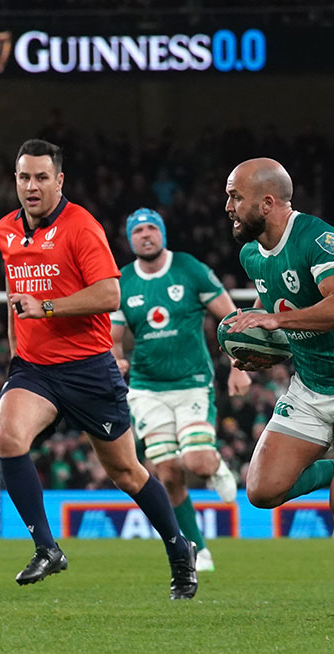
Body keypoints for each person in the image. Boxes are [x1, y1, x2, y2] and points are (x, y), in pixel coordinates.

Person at [0, 139, 195, 597]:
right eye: (24, 177)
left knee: (126, 472)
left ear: (59, 180)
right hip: (36, 370)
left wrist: (44, 307)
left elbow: (109, 296)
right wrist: (15, 354)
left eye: (42, 177)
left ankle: (179, 546)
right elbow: (14, 294)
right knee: (7, 436)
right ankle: (47, 548)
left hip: (88, 369)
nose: (32, 186)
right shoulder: (6, 229)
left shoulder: (81, 227)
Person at [222, 158, 334, 622]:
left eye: (236, 197)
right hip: (311, 383)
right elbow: (272, 306)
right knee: (260, 490)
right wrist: (254, 348)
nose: (229, 207)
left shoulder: (320, 239)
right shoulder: (252, 254)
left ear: (268, 202)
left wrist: (274, 320)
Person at [110, 208, 252, 572]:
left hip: (191, 383)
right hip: (146, 389)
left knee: (195, 463)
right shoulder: (123, 281)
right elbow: (112, 340)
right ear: (130, 239)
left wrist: (238, 365)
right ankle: (198, 549)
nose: (146, 235)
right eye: (138, 230)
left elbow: (230, 317)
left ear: (162, 234)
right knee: (168, 473)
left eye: (151, 228)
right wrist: (119, 358)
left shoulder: (189, 268)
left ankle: (217, 466)